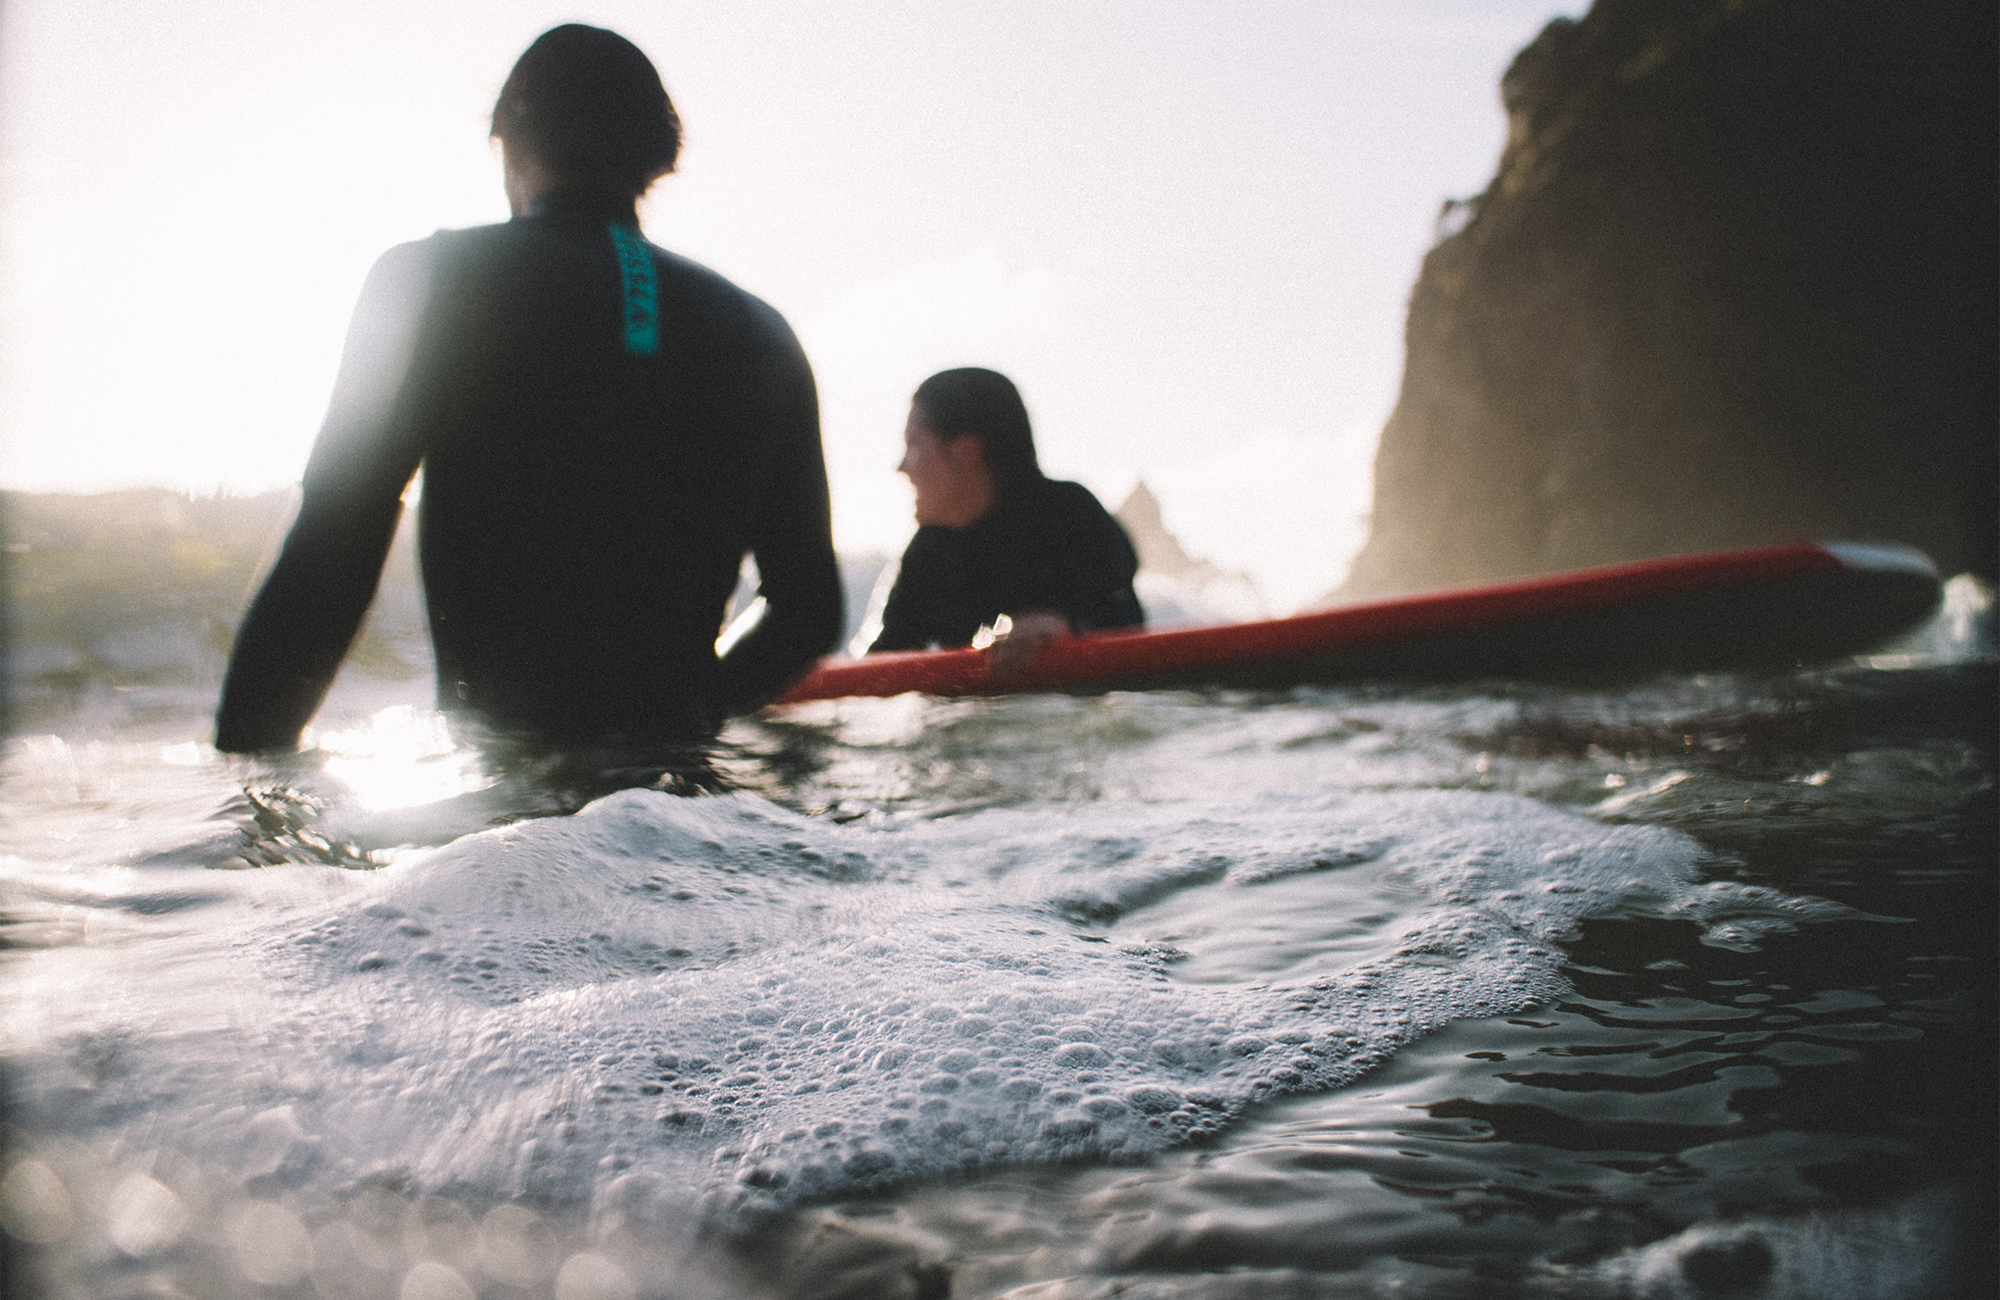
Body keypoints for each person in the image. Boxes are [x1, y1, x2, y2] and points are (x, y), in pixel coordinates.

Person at [215, 25, 842, 757]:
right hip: (680, 798)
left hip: (504, 808)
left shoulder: (434, 281)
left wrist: (245, 796)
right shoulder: (761, 332)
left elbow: (335, 541)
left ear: (508, 137)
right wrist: (692, 714)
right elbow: (808, 611)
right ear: (655, 153)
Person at [869, 368, 1142, 669]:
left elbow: (1122, 617)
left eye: (914, 446)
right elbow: (882, 665)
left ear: (967, 453)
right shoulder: (930, 552)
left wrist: (1063, 625)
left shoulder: (1070, 516)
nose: (902, 467)